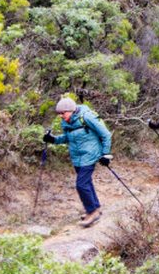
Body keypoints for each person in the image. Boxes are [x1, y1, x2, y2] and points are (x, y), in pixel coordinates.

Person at [43, 96, 111, 228]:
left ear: (71, 110)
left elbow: (106, 134)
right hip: (76, 157)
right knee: (86, 182)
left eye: (63, 113)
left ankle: (92, 212)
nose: (61, 116)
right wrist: (53, 139)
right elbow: (67, 137)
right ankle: (96, 207)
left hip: (90, 154)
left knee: (81, 184)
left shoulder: (87, 117)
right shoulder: (66, 122)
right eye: (59, 114)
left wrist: (105, 154)